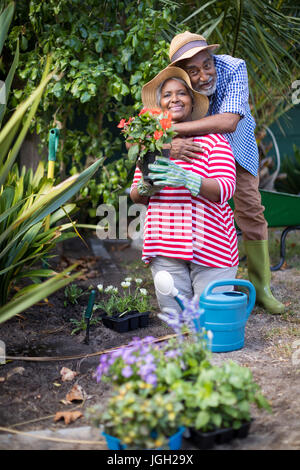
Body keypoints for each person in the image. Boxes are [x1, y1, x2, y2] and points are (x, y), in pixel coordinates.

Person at [165, 31, 284, 315]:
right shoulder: (172, 85)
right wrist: (171, 146)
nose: (204, 75)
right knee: (193, 211)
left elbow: (229, 122)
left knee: (250, 210)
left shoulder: (234, 67)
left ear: (213, 58)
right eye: (194, 71)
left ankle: (261, 286)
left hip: (236, 148)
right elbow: (138, 135)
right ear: (182, 74)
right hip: (197, 151)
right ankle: (198, 280)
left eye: (207, 65)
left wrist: (170, 130)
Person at [130, 66, 239, 314]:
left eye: (182, 93)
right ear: (160, 104)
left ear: (192, 101)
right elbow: (135, 195)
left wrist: (188, 179)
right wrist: (147, 187)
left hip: (213, 248)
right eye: (167, 95)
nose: (174, 99)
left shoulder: (214, 140)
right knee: (176, 321)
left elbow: (226, 189)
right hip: (165, 246)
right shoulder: (151, 146)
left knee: (209, 323)